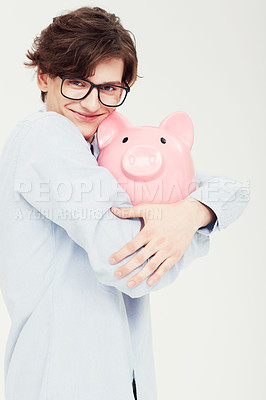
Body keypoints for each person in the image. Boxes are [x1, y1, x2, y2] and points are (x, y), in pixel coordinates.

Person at [0, 6, 247, 400]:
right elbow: (132, 266)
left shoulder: (107, 151)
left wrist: (190, 214)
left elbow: (232, 190)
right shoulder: (45, 137)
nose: (93, 103)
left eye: (110, 88)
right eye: (77, 82)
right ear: (44, 77)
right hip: (63, 382)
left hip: (123, 380)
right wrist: (185, 228)